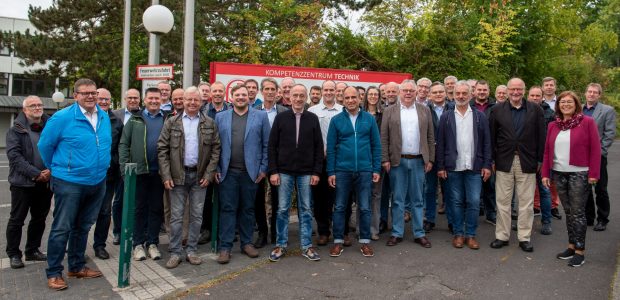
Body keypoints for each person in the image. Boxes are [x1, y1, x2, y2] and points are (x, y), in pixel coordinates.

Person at [38, 78, 111, 290]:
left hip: (97, 181)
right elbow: (45, 145)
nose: (90, 96)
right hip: (69, 182)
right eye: (85, 93)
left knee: (83, 226)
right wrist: (59, 168)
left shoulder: (103, 116)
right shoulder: (61, 118)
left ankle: (77, 266)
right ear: (76, 95)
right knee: (62, 228)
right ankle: (54, 272)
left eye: (93, 93)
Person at [158, 86, 221, 268]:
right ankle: (175, 252)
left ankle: (192, 250)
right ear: (183, 101)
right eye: (189, 99)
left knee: (196, 216)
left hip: (200, 177)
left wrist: (209, 174)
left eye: (196, 100)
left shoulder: (209, 123)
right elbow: (162, 148)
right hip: (177, 176)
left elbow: (216, 149)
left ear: (201, 102)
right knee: (176, 217)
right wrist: (166, 174)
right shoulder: (172, 122)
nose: (192, 103)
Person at [542, 91, 601, 267]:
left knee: (578, 213)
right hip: (559, 172)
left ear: (576, 104)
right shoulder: (553, 125)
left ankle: (580, 251)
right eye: (562, 102)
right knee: (568, 211)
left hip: (580, 173)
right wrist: (545, 173)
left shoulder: (587, 123)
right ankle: (571, 245)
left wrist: (594, 174)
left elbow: (596, 150)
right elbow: (546, 151)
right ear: (558, 105)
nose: (566, 104)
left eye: (569, 102)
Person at [215, 84, 270, 264]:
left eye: (244, 95)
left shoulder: (260, 116)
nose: (240, 97)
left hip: (251, 173)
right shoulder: (220, 117)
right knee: (228, 209)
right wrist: (216, 168)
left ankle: (247, 243)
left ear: (249, 97)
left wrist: (263, 169)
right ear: (231, 97)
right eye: (237, 95)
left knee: (248, 210)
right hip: (227, 173)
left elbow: (266, 145)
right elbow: (215, 146)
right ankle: (225, 247)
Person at [489, 78, 545, 252]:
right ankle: (502, 236)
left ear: (524, 90)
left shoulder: (535, 110)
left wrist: (540, 160)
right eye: (512, 89)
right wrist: (491, 160)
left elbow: (541, 136)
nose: (515, 92)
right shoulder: (497, 109)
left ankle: (524, 237)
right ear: (507, 90)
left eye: (519, 89)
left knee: (526, 202)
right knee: (503, 201)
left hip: (527, 161)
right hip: (504, 160)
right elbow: (491, 137)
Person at [268, 84, 324, 262]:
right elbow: (271, 146)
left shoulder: (313, 118)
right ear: (289, 97)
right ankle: (281, 245)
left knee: (306, 209)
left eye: (302, 95)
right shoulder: (281, 118)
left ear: (306, 97)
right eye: (295, 95)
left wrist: (317, 172)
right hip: (283, 172)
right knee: (282, 209)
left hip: (306, 172)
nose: (298, 99)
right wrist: (273, 171)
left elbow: (318, 148)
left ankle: (307, 246)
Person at [436, 81, 492, 250]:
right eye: (457, 93)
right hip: (453, 167)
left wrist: (487, 165)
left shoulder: (479, 116)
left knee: (474, 202)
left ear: (470, 95)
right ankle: (459, 234)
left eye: (464, 93)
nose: (460, 96)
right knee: (456, 202)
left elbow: (486, 143)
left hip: (474, 167)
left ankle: (471, 235)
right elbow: (441, 143)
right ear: (452, 95)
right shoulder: (446, 116)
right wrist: (440, 167)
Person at [327, 86, 381, 257]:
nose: (350, 100)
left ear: (359, 98)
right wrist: (331, 172)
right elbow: (331, 148)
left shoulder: (369, 119)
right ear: (342, 99)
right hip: (342, 170)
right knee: (340, 207)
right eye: (347, 97)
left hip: (365, 170)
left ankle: (365, 241)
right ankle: (338, 241)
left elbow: (376, 145)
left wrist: (376, 168)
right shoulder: (336, 120)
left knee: (364, 207)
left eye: (353, 97)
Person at [381, 80, 435, 248]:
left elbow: (430, 137)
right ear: (399, 92)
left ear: (417, 91)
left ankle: (419, 233)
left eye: (412, 90)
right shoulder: (389, 111)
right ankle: (397, 232)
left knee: (418, 199)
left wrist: (430, 159)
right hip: (398, 161)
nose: (408, 93)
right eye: (405, 90)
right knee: (397, 199)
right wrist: (385, 159)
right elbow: (384, 138)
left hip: (419, 161)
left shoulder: (424, 110)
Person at [119, 87, 168, 262]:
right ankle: (138, 244)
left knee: (156, 209)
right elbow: (124, 144)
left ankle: (152, 243)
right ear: (144, 100)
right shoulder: (135, 119)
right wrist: (125, 169)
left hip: (159, 172)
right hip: (139, 172)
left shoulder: (166, 118)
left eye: (157, 98)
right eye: (151, 98)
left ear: (161, 100)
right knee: (138, 209)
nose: (154, 101)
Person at [5, 96, 53, 269]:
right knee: (17, 219)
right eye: (33, 105)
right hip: (22, 183)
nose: (37, 107)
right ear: (25, 110)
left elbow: (59, 150)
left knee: (39, 219)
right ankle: (13, 254)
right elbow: (15, 158)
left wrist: (51, 171)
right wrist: (36, 173)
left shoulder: (51, 126)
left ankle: (32, 250)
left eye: (40, 105)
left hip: (45, 182)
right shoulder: (15, 131)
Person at [254, 78, 288, 248]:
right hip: (258, 161)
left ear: (277, 92)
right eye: (266, 89)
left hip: (278, 162)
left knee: (277, 199)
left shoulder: (283, 111)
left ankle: (276, 233)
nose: (269, 92)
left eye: (272, 89)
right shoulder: (253, 110)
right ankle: (262, 233)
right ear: (262, 91)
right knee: (258, 198)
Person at [308, 80, 343, 246]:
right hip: (319, 161)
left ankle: (341, 232)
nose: (329, 92)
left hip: (339, 160)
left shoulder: (343, 111)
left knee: (340, 197)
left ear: (336, 91)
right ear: (321, 91)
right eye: (326, 89)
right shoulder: (312, 111)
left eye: (332, 89)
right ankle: (323, 231)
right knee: (320, 198)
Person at [92, 88, 124, 260]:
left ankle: (99, 245)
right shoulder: (86, 118)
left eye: (107, 99)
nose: (104, 102)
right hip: (86, 176)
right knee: (83, 213)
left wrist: (116, 163)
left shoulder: (116, 121)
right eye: (101, 99)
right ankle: (77, 247)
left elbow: (121, 145)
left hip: (109, 175)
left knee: (104, 212)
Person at [583, 83, 616, 231]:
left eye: (595, 92)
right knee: (585, 188)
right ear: (585, 93)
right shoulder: (579, 109)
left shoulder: (607, 110)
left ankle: (603, 219)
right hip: (581, 156)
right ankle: (589, 217)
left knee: (600, 189)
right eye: (589, 92)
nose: (591, 94)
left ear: (599, 95)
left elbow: (609, 134)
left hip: (598, 156)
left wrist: (599, 152)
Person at [110, 88, 140, 245]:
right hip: (120, 166)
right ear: (125, 99)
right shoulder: (116, 115)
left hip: (139, 166)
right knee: (119, 200)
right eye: (130, 98)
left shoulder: (143, 115)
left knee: (137, 201)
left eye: (136, 98)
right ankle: (118, 232)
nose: (133, 100)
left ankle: (134, 230)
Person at [425, 82, 454, 233]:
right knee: (430, 189)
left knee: (449, 189)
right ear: (430, 95)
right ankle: (429, 219)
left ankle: (451, 221)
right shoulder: (424, 110)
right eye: (434, 92)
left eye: (440, 92)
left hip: (448, 155)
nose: (438, 94)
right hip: (430, 154)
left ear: (445, 93)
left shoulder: (453, 108)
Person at [527, 86, 556, 235]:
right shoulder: (522, 110)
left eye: (538, 96)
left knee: (544, 191)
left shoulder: (550, 114)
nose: (535, 98)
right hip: (526, 157)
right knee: (525, 193)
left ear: (542, 97)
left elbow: (552, 138)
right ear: (528, 96)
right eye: (532, 95)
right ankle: (525, 221)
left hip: (543, 158)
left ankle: (546, 221)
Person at [363, 86, 384, 240]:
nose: (373, 97)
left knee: (376, 195)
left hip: (377, 158)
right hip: (362, 159)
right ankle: (361, 228)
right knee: (361, 195)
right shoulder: (359, 114)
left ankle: (374, 229)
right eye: (370, 94)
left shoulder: (384, 114)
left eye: (375, 94)